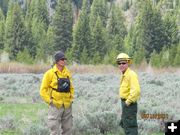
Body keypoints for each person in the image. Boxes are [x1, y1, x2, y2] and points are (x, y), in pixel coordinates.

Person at [40, 51, 74, 135]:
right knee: (54, 130)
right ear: (57, 61)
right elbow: (43, 90)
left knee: (68, 129)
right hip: (55, 105)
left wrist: (71, 99)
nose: (64, 61)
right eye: (62, 59)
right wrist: (50, 101)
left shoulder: (67, 73)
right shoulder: (49, 73)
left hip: (67, 105)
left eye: (65, 59)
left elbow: (71, 88)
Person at [117, 53, 140, 135]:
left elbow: (136, 90)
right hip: (125, 104)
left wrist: (127, 102)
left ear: (128, 63)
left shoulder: (131, 74)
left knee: (130, 127)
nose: (121, 65)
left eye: (123, 63)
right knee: (125, 125)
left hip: (129, 104)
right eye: (119, 63)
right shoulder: (124, 74)